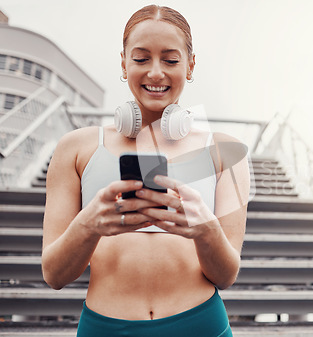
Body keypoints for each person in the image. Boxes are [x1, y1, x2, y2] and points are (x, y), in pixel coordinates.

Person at [41, 5, 250, 337]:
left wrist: (206, 229)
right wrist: (88, 224)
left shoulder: (228, 153)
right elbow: (54, 275)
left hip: (201, 325)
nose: (155, 73)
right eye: (140, 59)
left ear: (190, 65)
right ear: (123, 64)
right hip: (105, 328)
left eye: (170, 60)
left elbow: (226, 275)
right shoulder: (75, 148)